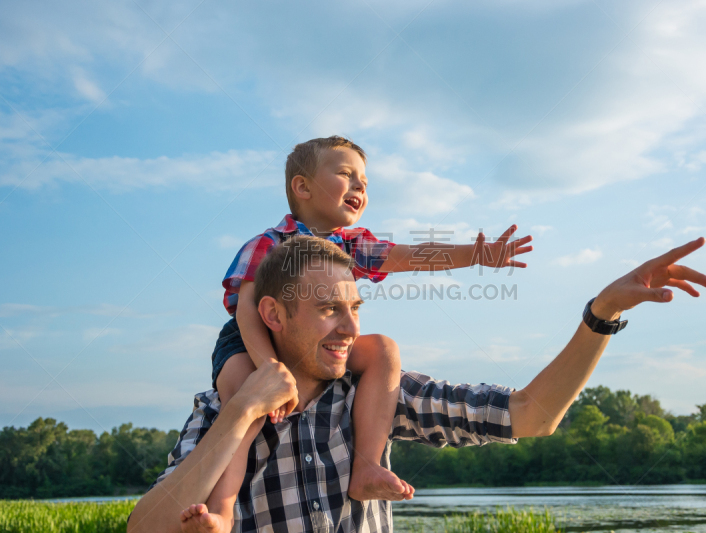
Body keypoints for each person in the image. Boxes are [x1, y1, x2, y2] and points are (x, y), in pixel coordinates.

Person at [127, 234, 706, 533]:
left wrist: (602, 313)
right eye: (329, 308)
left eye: (354, 306)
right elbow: (144, 528)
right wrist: (240, 414)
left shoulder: (377, 398)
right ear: (275, 316)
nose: (350, 326)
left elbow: (533, 414)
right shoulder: (219, 410)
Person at [209, 135, 533, 523]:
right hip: (250, 341)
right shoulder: (270, 243)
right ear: (302, 187)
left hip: (318, 340)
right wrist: (266, 369)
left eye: (364, 180)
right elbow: (247, 311)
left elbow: (411, 257)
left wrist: (477, 255)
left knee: (382, 349)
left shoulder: (351, 245)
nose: (360, 185)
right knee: (244, 403)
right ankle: (222, 509)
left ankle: (365, 466)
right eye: (346, 174)